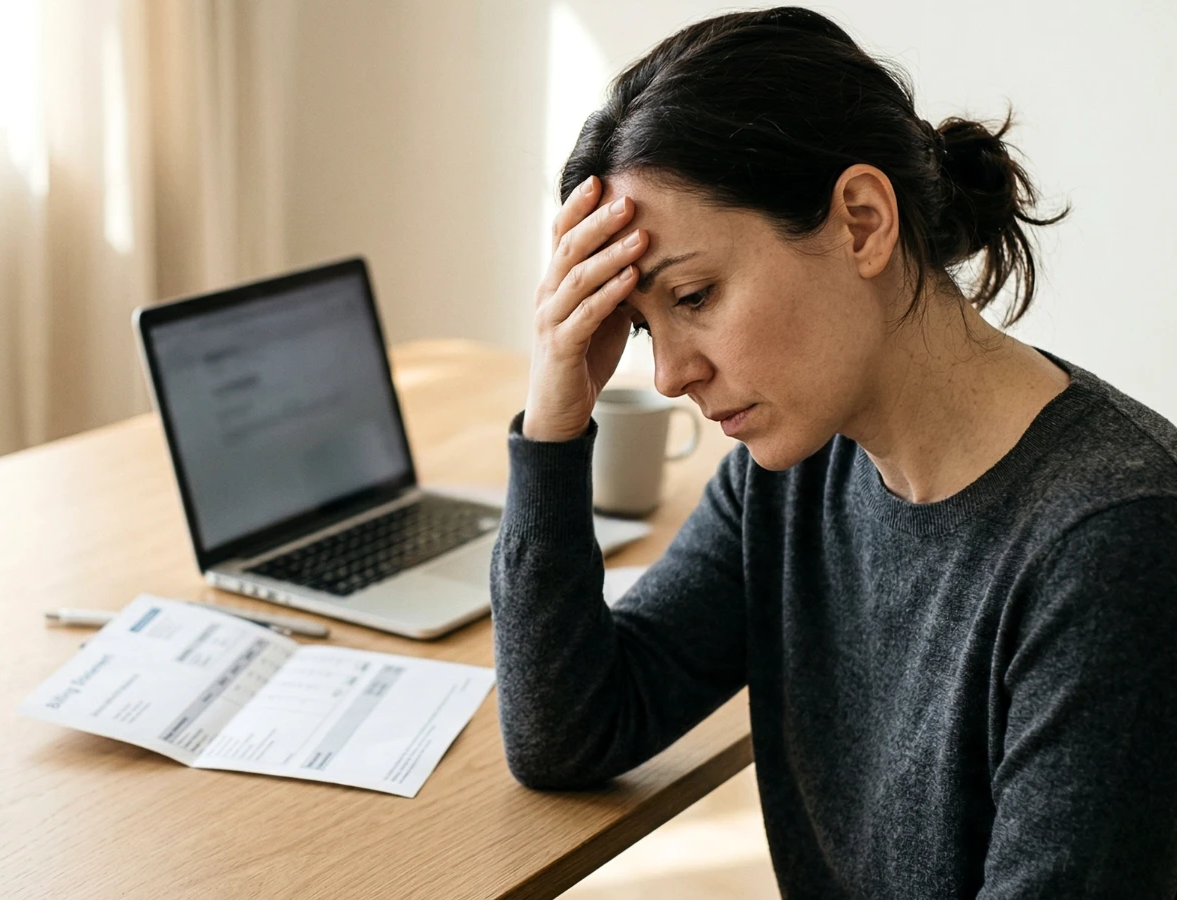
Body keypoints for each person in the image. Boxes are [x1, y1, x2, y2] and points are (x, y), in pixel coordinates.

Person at [490, 6, 1177, 898]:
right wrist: (554, 421)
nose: (668, 374)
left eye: (694, 295)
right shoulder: (797, 468)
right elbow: (568, 732)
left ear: (860, 221)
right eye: (642, 324)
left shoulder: (1116, 546)